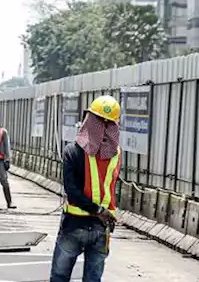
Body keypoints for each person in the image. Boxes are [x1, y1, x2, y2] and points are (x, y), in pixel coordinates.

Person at [49, 95, 122, 282]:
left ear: (88, 119)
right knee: (93, 278)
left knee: (59, 276)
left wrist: (95, 210)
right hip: (102, 226)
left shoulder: (72, 150)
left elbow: (71, 191)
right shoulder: (116, 154)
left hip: (74, 223)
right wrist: (102, 211)